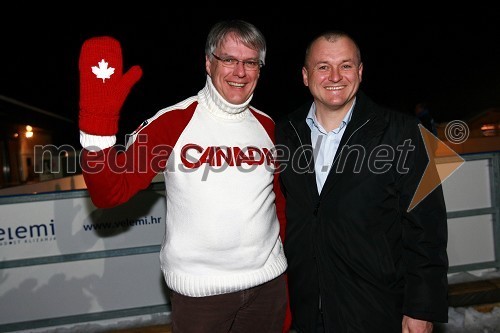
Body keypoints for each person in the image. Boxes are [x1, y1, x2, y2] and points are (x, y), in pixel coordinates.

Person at [78, 20, 290, 332]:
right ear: (208, 62)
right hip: (202, 295)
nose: (240, 72)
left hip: (267, 288)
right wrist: (96, 130)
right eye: (229, 59)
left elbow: (278, 205)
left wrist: (282, 281)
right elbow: (109, 193)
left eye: (250, 62)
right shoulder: (173, 123)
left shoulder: (269, 126)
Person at [275, 30, 448, 332]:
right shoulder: (284, 133)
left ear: (360, 71)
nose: (335, 76)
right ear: (305, 75)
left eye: (345, 65)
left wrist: (421, 308)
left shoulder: (407, 132)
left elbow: (428, 229)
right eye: (323, 66)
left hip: (377, 310)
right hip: (306, 311)